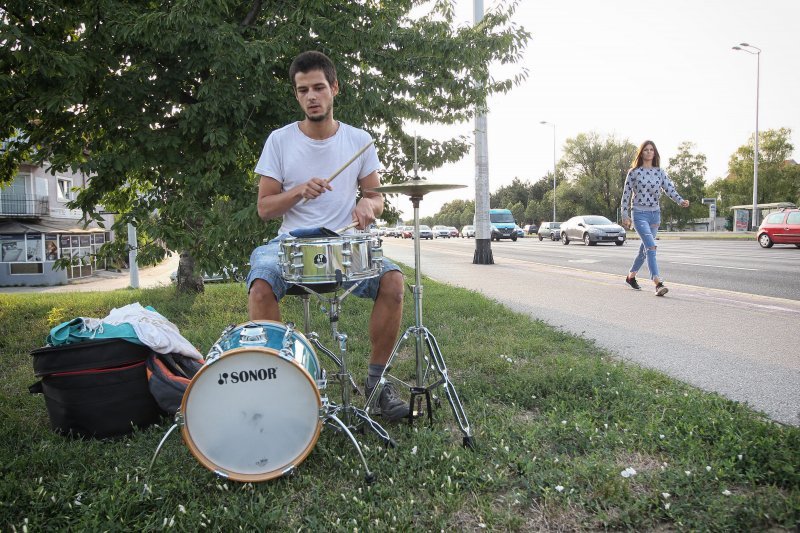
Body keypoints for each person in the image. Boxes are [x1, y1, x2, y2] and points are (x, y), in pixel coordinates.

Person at [245, 51, 408, 421]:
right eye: (303, 91)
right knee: (260, 285)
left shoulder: (359, 140)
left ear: (334, 88)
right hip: (292, 243)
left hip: (345, 244)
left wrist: (369, 207)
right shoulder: (279, 141)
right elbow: (265, 207)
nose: (312, 97)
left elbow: (375, 197)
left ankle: (377, 384)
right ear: (297, 95)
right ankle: (277, 386)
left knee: (394, 281)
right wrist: (298, 190)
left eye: (319, 87)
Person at [620, 140, 690, 296]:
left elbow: (669, 189)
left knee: (644, 250)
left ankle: (630, 277)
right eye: (646, 150)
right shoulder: (634, 172)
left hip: (655, 215)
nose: (649, 152)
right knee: (651, 247)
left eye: (652, 150)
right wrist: (624, 215)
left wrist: (680, 201)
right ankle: (658, 283)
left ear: (655, 153)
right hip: (639, 214)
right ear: (641, 153)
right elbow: (626, 195)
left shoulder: (659, 172)